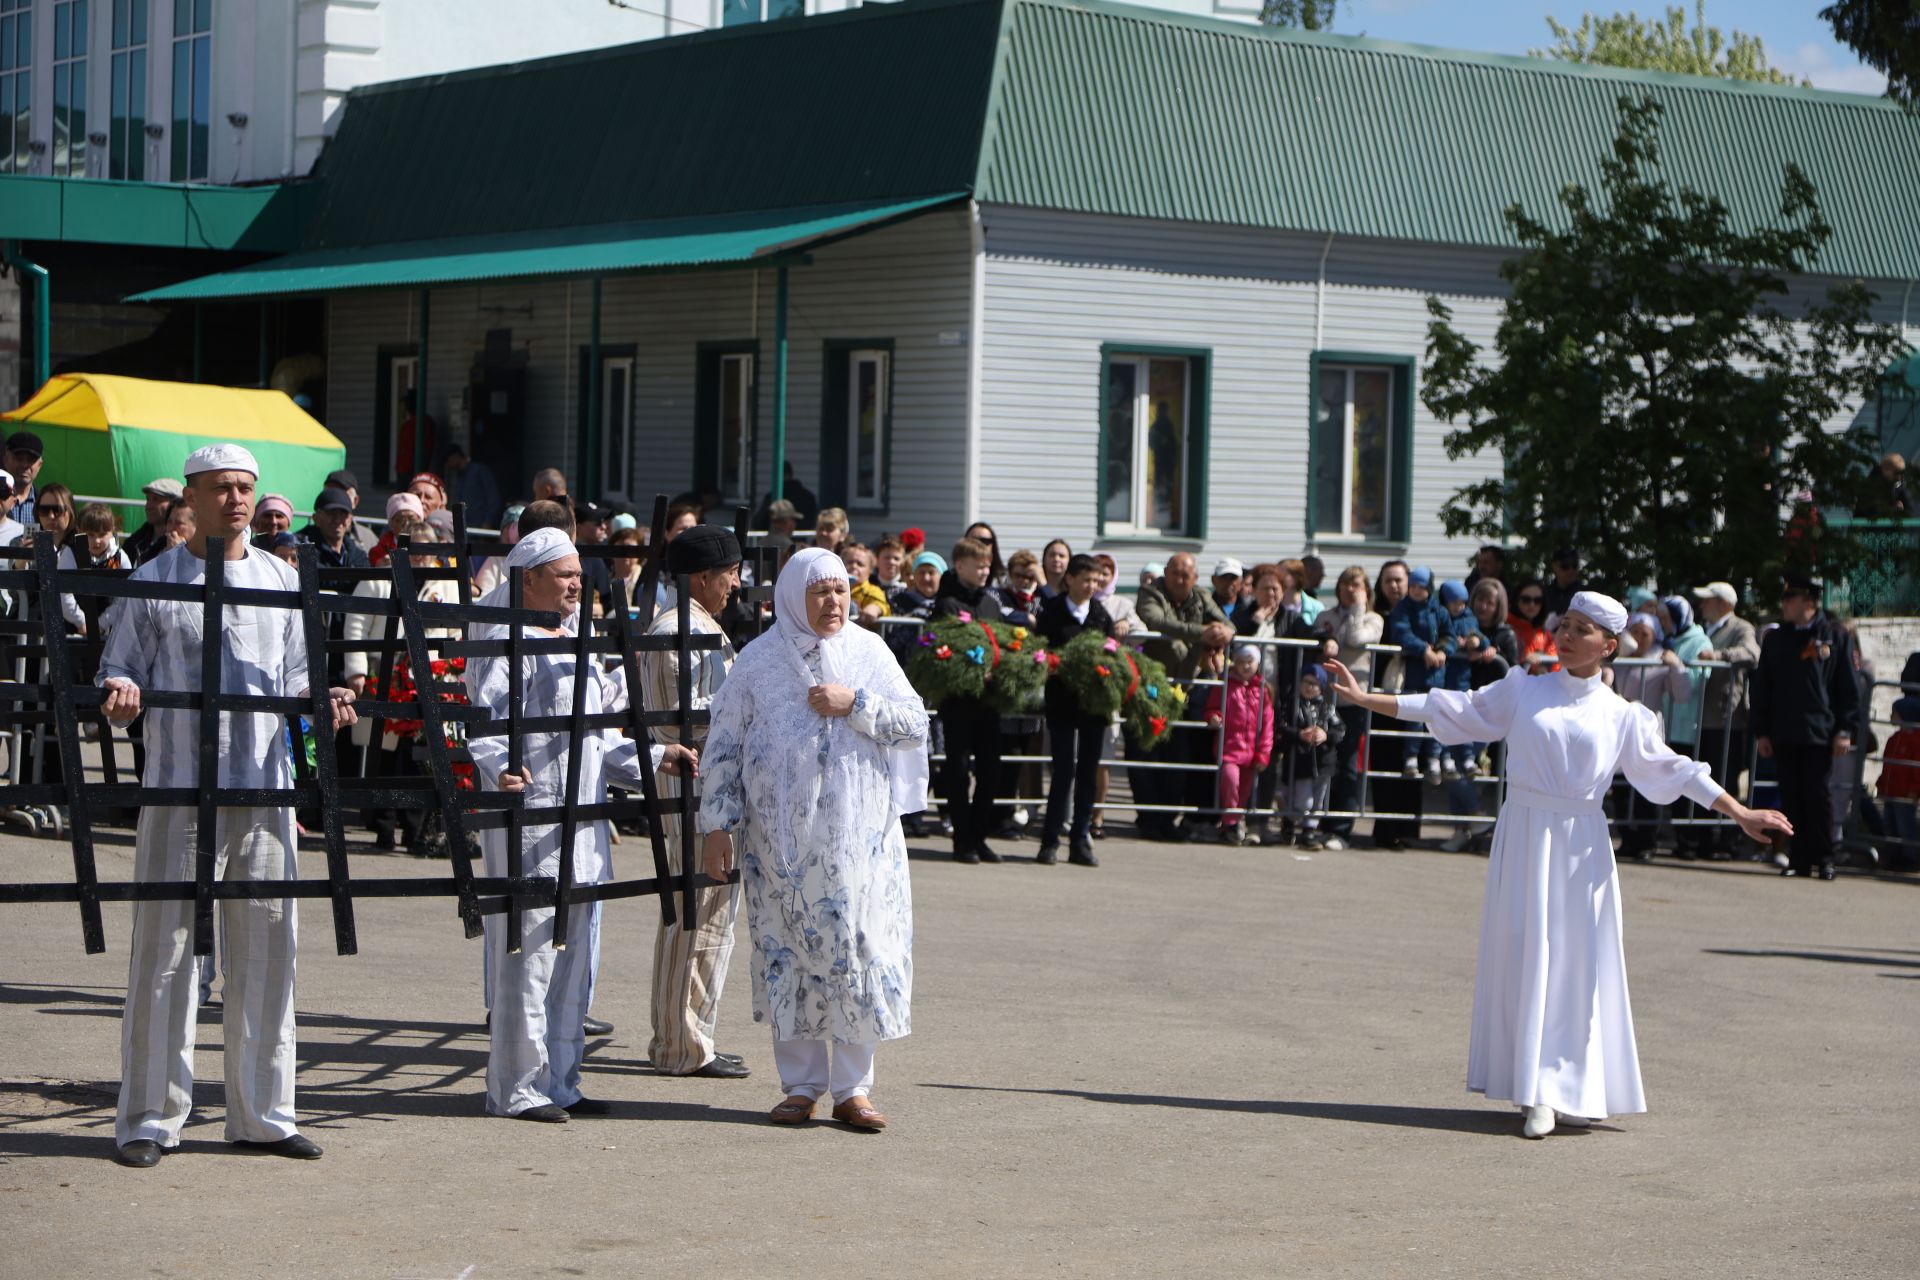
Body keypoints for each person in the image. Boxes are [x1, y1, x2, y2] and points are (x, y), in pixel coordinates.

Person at [1324, 591, 1791, 1138]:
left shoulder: (1623, 715)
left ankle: (1573, 1085)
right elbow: (1455, 707)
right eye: (1564, 625)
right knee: (1528, 955)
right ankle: (1536, 1090)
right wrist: (1368, 699)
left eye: (1582, 630)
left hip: (1583, 847)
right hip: (1525, 834)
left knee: (1577, 964)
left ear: (1609, 646)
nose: (1566, 636)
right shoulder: (1525, 687)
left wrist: (1738, 811)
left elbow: (1675, 770)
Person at [97, 444, 358, 1168]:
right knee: (165, 954)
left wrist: (321, 721)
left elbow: (306, 683)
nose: (237, 499)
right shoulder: (154, 581)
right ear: (194, 496)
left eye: (246, 487)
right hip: (179, 788)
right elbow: (117, 669)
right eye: (222, 488)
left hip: (265, 791)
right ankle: (150, 1119)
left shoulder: (282, 578)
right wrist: (120, 698)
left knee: (271, 951)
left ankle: (264, 1115)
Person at [464, 529, 692, 1121]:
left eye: (576, 574)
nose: (574, 583)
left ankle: (561, 1082)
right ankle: (514, 1089)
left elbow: (598, 740)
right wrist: (498, 770)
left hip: (584, 826)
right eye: (561, 574)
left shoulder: (579, 643)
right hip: (532, 823)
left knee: (573, 963)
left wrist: (654, 760)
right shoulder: (505, 644)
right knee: (528, 956)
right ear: (529, 580)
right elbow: (482, 724)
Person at [698, 546, 928, 1130]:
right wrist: (715, 827)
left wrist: (858, 704)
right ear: (792, 596)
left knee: (857, 949)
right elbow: (723, 748)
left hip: (860, 843)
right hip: (780, 847)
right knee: (788, 953)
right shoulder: (756, 661)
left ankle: (854, 1090)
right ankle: (801, 1086)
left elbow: (915, 722)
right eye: (821, 591)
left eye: (842, 589)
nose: (833, 601)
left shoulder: (868, 652)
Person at [643, 525, 752, 1081]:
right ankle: (678, 1045)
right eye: (730, 572)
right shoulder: (679, 630)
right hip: (695, 792)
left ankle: (692, 1037)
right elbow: (688, 724)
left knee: (709, 918)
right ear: (701, 577)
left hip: (710, 791)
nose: (737, 583)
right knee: (692, 917)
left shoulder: (700, 627)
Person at [1751, 575, 1860, 880]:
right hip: (1784, 731)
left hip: (1820, 731)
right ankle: (1799, 859)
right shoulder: (1777, 638)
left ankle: (1825, 857)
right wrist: (1762, 731)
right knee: (1791, 795)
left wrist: (1844, 730)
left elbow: (1847, 688)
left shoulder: (1834, 636)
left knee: (1817, 795)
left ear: (1809, 602)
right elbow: (1763, 687)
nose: (1784, 605)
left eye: (1791, 599)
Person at [1134, 553, 1233, 839]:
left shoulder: (1201, 596)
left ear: (1195, 578)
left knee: (1177, 759)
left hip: (1185, 690)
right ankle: (1149, 819)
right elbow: (1156, 621)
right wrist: (1202, 633)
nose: (1180, 579)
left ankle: (1168, 820)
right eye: (1175, 573)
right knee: (1146, 757)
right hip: (1152, 688)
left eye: (1186, 575)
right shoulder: (1150, 592)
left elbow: (1227, 625)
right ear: (1166, 573)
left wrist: (1223, 633)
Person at [933, 537, 1008, 864]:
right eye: (978, 565)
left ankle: (980, 836)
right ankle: (962, 839)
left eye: (987, 566)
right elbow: (940, 650)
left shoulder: (991, 604)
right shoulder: (947, 603)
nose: (984, 571)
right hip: (959, 702)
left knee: (991, 770)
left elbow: (1003, 642)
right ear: (960, 565)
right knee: (958, 770)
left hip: (989, 703)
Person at [1035, 553, 1113, 865]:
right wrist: (1051, 664)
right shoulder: (1052, 611)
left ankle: (1080, 839)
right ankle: (1050, 840)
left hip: (1093, 705)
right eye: (1086, 580)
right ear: (1069, 579)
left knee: (1088, 774)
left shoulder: (1099, 614)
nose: (1092, 586)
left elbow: (1110, 653)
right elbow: (1040, 650)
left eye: (1096, 581)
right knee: (1063, 771)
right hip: (1062, 702)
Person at [1679, 582, 1762, 859]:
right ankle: (1705, 838)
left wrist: (1718, 656)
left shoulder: (1741, 628)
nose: (1703, 606)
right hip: (1702, 717)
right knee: (1704, 779)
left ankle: (1726, 840)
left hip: (1726, 719)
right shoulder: (1706, 630)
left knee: (1725, 778)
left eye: (1709, 601)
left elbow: (1751, 654)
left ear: (1724, 604)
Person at [1439, 579, 1519, 853]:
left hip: (1490, 713)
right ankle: (1465, 825)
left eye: (1490, 602)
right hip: (1461, 705)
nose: (1484, 606)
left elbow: (1514, 671)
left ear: (1499, 607)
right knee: (1449, 765)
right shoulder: (1460, 623)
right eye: (1480, 600)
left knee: (1466, 765)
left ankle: (1477, 819)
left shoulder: (1505, 634)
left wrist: (1494, 654)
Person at [1313, 567, 1381, 849]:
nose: (1349, 590)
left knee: (1348, 763)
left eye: (1356, 585)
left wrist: (1357, 608)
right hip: (1325, 699)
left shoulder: (1373, 619)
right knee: (1323, 761)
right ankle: (1317, 822)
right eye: (1345, 584)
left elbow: (1355, 638)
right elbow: (1316, 637)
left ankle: (1341, 828)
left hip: (1354, 701)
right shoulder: (1326, 616)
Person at [1367, 560, 1423, 849]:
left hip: (1414, 695)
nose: (1395, 586)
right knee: (1385, 761)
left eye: (1399, 580)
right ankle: (1386, 829)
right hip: (1384, 696)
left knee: (1411, 762)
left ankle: (1408, 829)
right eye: (1389, 580)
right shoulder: (1376, 615)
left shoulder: (1421, 612)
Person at [1204, 644, 1274, 846]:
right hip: (1229, 748)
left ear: (1257, 664)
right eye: (1241, 662)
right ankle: (1232, 822)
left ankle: (1230, 825)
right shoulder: (1226, 684)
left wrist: (1264, 753)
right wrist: (1214, 717)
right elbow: (1212, 708)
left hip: (1252, 752)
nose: (1245, 666)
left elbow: (1268, 725)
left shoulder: (1263, 690)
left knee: (1244, 791)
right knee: (1230, 780)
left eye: (1249, 662)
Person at [1387, 567, 1448, 782]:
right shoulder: (1403, 608)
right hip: (1413, 673)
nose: (1415, 590)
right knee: (1415, 716)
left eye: (1420, 587)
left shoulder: (1438, 610)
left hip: (1436, 675)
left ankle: (1434, 759)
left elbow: (1448, 634)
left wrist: (1442, 651)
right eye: (1412, 586)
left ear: (1429, 588)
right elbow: (1402, 632)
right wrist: (1423, 649)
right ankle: (1411, 758)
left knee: (1437, 717)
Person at [1275, 664, 1343, 849]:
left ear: (1321, 687)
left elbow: (1340, 730)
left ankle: (1309, 830)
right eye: (1306, 682)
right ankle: (1289, 819)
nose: (1309, 687)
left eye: (1314, 684)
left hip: (1323, 763)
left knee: (1318, 800)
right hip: (1301, 762)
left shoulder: (1327, 708)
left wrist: (1325, 735)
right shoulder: (1292, 705)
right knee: (1304, 801)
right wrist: (1299, 734)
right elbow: (1281, 727)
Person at [57, 504, 134, 644]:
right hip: (72, 626)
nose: (97, 541)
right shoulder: (70, 554)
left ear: (112, 532)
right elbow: (64, 593)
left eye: (102, 534)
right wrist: (81, 622)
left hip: (110, 630)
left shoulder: (120, 557)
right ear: (79, 531)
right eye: (90, 535)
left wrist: (102, 624)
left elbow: (124, 598)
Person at [1436, 581, 1480, 781]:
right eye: (1454, 602)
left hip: (1462, 680)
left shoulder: (1469, 619)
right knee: (1444, 721)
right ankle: (1445, 758)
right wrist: (1454, 645)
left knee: (1465, 718)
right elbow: (1442, 639)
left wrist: (1477, 643)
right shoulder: (1440, 617)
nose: (1458, 607)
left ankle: (1468, 758)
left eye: (1462, 602)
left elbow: (1479, 636)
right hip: (1443, 679)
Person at [1879, 696, 1920, 872]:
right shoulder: (1894, 739)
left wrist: (1914, 789)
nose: (1892, 715)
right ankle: (1893, 856)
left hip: (1905, 793)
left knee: (1905, 826)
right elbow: (1886, 765)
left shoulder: (1916, 741)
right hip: (1891, 790)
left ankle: (1908, 858)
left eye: (1895, 712)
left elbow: (1917, 770)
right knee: (1891, 824)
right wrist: (1881, 785)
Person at [298, 488, 371, 571]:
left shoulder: (358, 556)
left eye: (343, 514)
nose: (337, 520)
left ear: (350, 520)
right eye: (331, 513)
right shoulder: (303, 549)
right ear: (316, 518)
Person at [122, 478, 185, 566]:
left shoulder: (187, 545)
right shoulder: (134, 542)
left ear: (176, 504)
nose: (148, 506)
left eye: (156, 499)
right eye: (148, 499)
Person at [442, 443, 502, 528]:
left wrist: (489, 522)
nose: (448, 465)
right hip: (466, 528)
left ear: (456, 456)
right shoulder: (459, 477)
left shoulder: (479, 471)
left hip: (481, 527)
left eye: (448, 461)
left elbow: (493, 498)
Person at [322, 469, 380, 554]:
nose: (335, 499)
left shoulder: (368, 538)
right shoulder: (306, 539)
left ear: (355, 501)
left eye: (342, 494)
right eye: (330, 493)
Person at [1508, 579, 1559, 673]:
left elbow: (1556, 666)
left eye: (1537, 601)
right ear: (1516, 600)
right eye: (1526, 599)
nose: (1532, 605)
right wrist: (1526, 662)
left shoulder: (1545, 635)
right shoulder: (1505, 628)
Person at [4, 429, 44, 527]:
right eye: (19, 458)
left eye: (31, 460)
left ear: (39, 465)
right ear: (5, 459)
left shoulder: (46, 507)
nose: (25, 464)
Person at [1541, 548, 1584, 628]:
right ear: (1554, 566)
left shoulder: (1585, 594)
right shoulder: (1544, 593)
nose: (1571, 570)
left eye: (1574, 566)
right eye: (1565, 566)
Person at [962, 521, 1007, 587]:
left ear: (993, 545)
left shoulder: (1005, 580)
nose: (979, 545)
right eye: (973, 541)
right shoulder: (953, 578)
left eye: (985, 541)